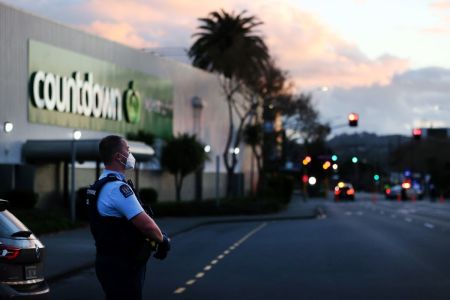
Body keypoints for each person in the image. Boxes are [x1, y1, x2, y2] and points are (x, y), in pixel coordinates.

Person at [86, 135, 170, 300]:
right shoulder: (117, 189)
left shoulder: (101, 183)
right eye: (128, 150)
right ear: (118, 156)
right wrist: (163, 241)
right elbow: (147, 226)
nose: (130, 154)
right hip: (122, 265)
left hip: (108, 261)